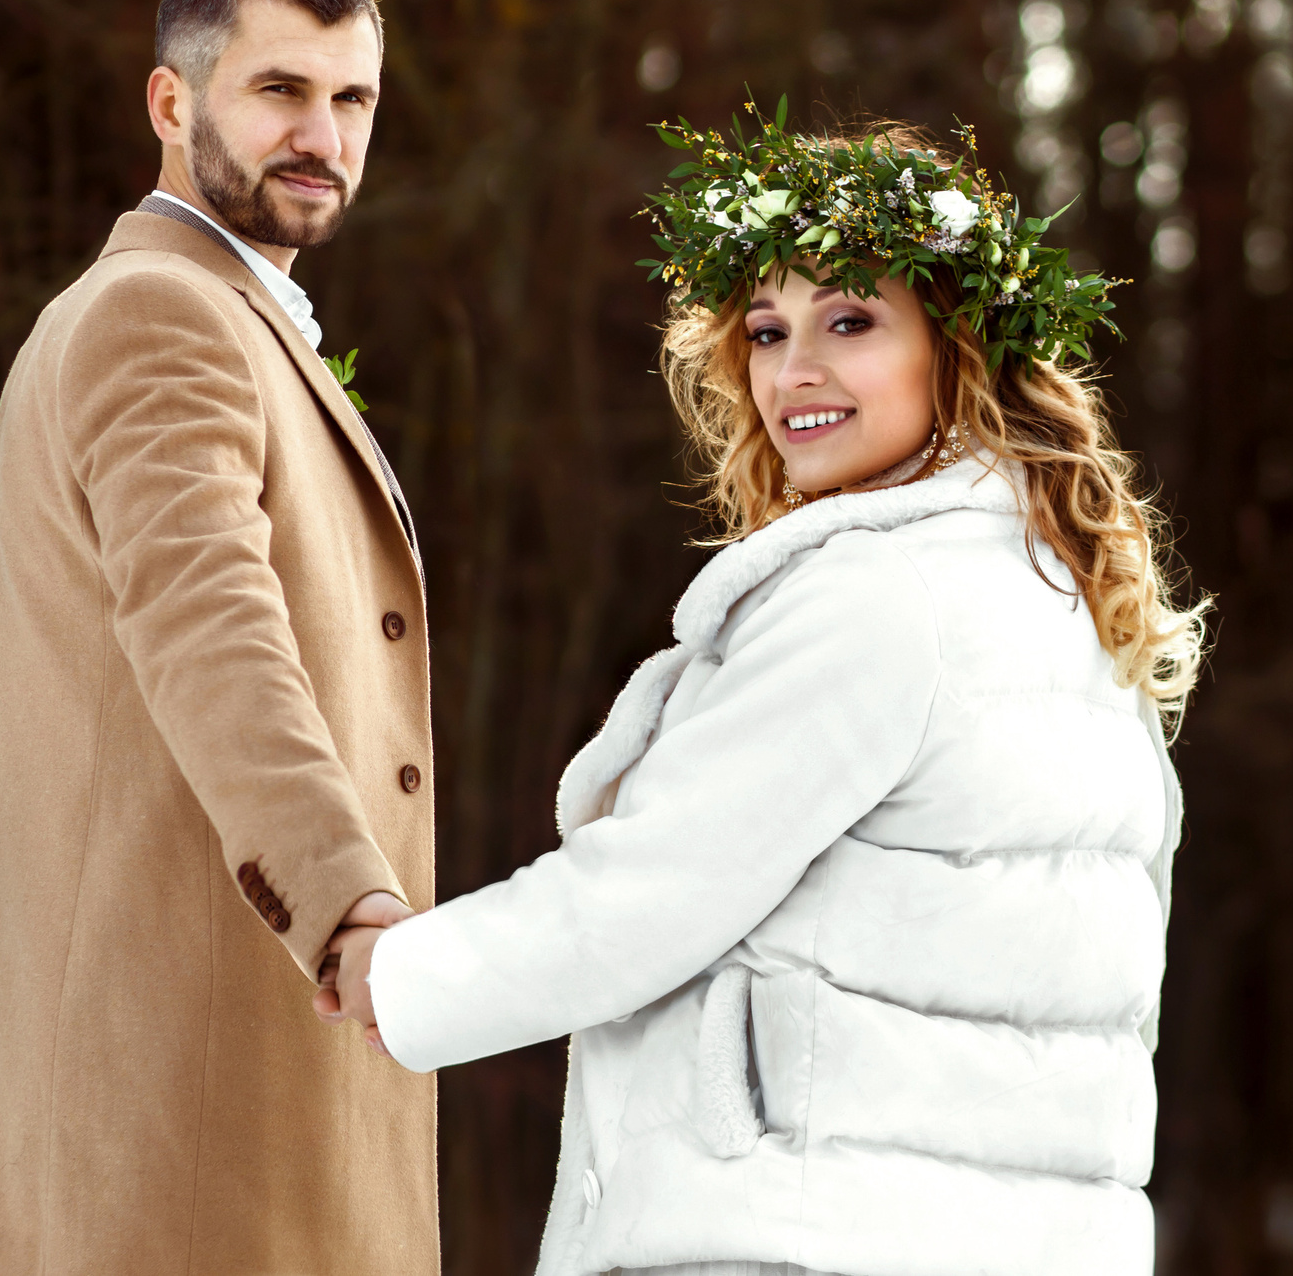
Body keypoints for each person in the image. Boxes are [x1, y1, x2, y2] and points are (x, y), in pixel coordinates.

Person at [323, 111, 1204, 1276]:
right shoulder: (1070, 604)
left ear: (957, 343)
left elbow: (650, 893)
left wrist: (396, 976)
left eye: (851, 321)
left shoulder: (880, 593)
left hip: (803, 1232)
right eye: (768, 331)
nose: (795, 372)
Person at [0, 0, 437, 1273]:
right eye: (279, 89)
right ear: (171, 102)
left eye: (352, 98)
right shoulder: (164, 317)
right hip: (191, 1109)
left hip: (141, 1085)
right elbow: (212, 628)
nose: (322, 137)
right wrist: (346, 903)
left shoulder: (125, 312)